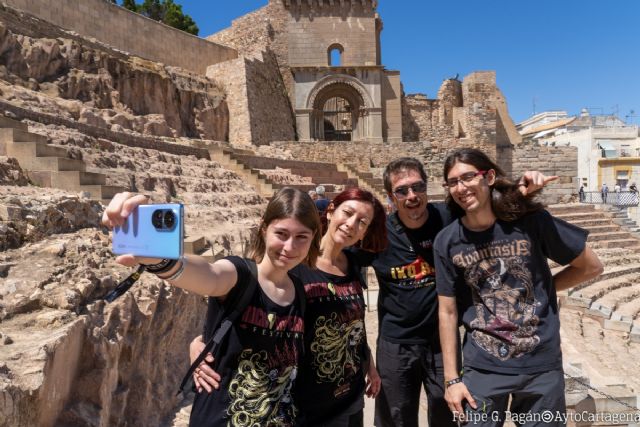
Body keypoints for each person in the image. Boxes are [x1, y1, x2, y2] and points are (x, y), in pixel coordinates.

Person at [348, 157, 555, 427]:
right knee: (394, 418)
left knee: (448, 415)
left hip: (441, 344)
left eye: (417, 187)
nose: (411, 196)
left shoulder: (448, 218)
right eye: (402, 191)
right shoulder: (379, 234)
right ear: (391, 197)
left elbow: (484, 202)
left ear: (427, 188)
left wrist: (520, 191)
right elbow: (341, 258)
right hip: (396, 344)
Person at [102, 188, 322, 427]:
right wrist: (159, 260)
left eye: (302, 237)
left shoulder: (299, 292)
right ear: (264, 229)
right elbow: (209, 275)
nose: (289, 247)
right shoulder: (240, 275)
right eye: (282, 234)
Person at [191, 188, 388, 426]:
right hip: (309, 404)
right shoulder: (292, 263)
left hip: (351, 395)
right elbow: (253, 311)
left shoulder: (352, 264)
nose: (351, 224)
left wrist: (370, 364)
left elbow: (354, 324)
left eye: (362, 222)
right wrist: (198, 343)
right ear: (330, 212)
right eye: (347, 213)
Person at [435, 148, 603, 426]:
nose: (461, 187)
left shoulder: (531, 223)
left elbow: (592, 266)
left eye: (468, 177)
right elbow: (447, 313)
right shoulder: (447, 241)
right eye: (453, 182)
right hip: (482, 369)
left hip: (540, 367)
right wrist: (452, 379)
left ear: (489, 177)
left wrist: (544, 291)